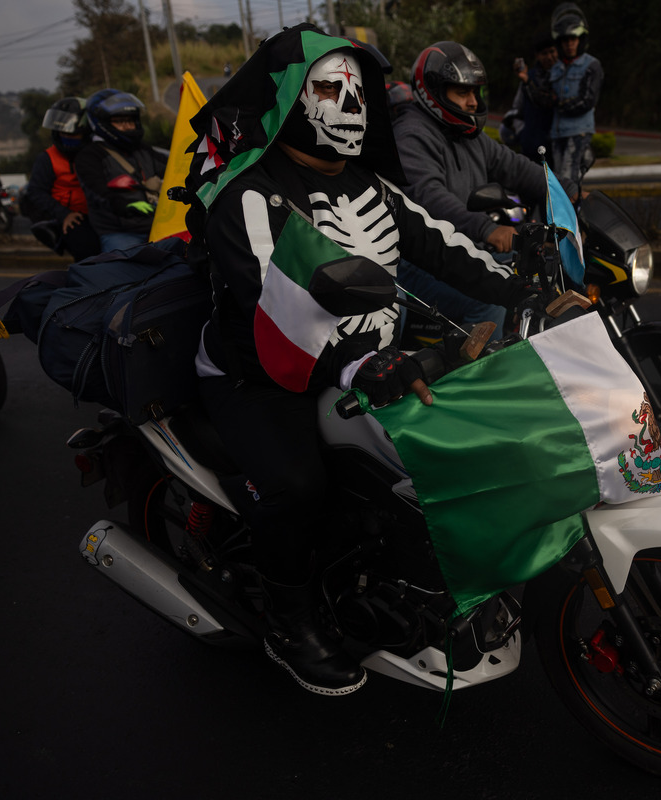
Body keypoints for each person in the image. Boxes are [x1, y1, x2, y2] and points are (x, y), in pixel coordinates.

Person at [184, 25, 534, 695]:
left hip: (369, 361)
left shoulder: (369, 184)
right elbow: (272, 298)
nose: (349, 105)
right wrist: (357, 364)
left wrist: (528, 287)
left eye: (357, 90)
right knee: (300, 488)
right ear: (289, 97)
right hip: (259, 372)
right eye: (327, 89)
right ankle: (290, 623)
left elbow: (443, 247)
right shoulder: (249, 192)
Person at [394, 41, 554, 337]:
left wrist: (565, 191)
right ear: (434, 93)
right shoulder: (411, 135)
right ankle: (482, 379)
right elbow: (429, 197)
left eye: (475, 92)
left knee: (535, 280)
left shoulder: (468, 135)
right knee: (489, 301)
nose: (473, 103)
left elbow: (514, 166)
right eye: (463, 92)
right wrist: (485, 229)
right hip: (418, 261)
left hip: (460, 249)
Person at [75, 89, 166, 253]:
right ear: (102, 123)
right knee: (130, 272)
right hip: (121, 232)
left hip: (159, 224)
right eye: (120, 121)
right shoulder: (90, 156)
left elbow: (174, 168)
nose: (128, 126)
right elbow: (97, 191)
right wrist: (124, 205)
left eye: (131, 120)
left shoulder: (143, 150)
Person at [23, 97, 102, 261]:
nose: (67, 137)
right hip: (71, 217)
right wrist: (64, 214)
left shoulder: (97, 153)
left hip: (102, 216)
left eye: (73, 134)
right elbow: (36, 192)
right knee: (87, 249)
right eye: (63, 133)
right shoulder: (47, 158)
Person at [542, 3, 603, 193]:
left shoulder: (592, 65)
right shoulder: (555, 67)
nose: (570, 44)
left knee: (568, 180)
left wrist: (559, 104)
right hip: (557, 133)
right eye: (566, 40)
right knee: (558, 179)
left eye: (573, 39)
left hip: (578, 131)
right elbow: (545, 96)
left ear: (580, 39)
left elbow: (587, 101)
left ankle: (571, 220)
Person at [511, 36, 559, 162]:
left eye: (552, 52)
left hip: (557, 145)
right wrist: (523, 133)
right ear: (537, 56)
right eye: (544, 53)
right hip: (532, 145)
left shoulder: (564, 76)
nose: (549, 57)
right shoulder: (529, 77)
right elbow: (517, 108)